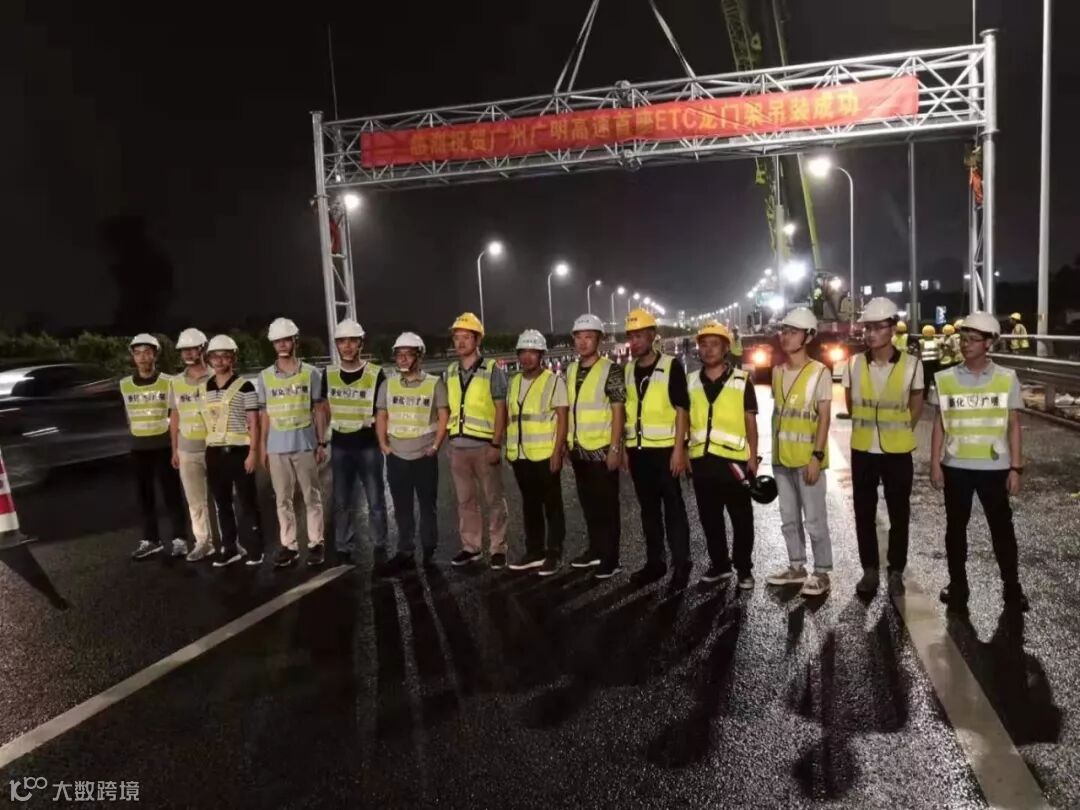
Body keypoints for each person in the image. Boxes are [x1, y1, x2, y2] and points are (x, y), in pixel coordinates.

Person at [930, 312, 1029, 613]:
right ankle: (958, 585)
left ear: (989, 343)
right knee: (955, 530)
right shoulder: (945, 379)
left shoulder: (1006, 378)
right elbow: (939, 424)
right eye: (963, 339)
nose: (965, 344)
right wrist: (934, 463)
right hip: (956, 466)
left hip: (994, 468)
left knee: (1002, 531)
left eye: (973, 340)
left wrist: (1016, 468)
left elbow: (1013, 425)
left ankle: (1012, 588)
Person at [842, 298, 924, 597]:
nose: (871, 333)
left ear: (892, 328)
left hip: (897, 452)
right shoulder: (852, 363)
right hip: (863, 449)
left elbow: (916, 406)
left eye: (878, 327)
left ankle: (896, 570)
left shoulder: (912, 365)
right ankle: (869, 570)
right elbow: (851, 405)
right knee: (863, 513)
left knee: (899, 514)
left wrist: (898, 431)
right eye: (868, 328)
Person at [766, 307, 834, 597]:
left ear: (807, 337)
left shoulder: (820, 373)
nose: (785, 336)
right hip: (781, 459)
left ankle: (822, 572)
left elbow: (824, 418)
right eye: (784, 331)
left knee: (815, 520)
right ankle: (796, 567)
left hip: (808, 460)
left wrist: (817, 457)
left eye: (793, 332)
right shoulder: (777, 372)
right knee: (788, 518)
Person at [623, 308, 692, 588]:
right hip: (638, 452)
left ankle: (681, 565)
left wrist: (679, 450)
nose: (634, 342)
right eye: (631, 337)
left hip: (665, 452)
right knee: (648, 511)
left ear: (652, 335)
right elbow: (626, 411)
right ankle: (655, 563)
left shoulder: (670, 365)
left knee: (674, 509)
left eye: (639, 336)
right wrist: (625, 448)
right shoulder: (628, 369)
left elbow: (682, 409)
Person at [687, 321, 758, 590]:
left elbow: (750, 421)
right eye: (703, 344)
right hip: (702, 461)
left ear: (726, 348)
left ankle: (744, 568)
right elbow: (684, 420)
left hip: (733, 463)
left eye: (714, 344)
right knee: (710, 519)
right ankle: (720, 565)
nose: (708, 349)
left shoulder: (741, 380)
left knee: (741, 518)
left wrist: (752, 457)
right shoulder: (691, 381)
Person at [376, 332, 448, 575]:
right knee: (402, 507)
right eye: (399, 355)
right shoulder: (388, 384)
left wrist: (436, 446)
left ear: (420, 357)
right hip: (397, 457)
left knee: (428, 506)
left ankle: (429, 550)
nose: (403, 359)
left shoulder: (434, 383)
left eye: (408, 354)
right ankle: (405, 551)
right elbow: (382, 415)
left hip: (425, 457)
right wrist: (384, 445)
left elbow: (443, 416)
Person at [258, 317, 327, 569]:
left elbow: (319, 409)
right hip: (277, 447)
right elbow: (265, 414)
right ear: (273, 344)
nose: (282, 344)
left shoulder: (311, 373)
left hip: (305, 444)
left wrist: (322, 442)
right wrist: (264, 446)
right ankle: (289, 545)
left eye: (286, 340)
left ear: (295, 341)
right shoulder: (264, 377)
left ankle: (316, 543)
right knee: (282, 500)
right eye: (277, 341)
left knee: (312, 496)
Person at [320, 318, 387, 567]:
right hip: (340, 446)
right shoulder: (328, 374)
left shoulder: (376, 373)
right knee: (341, 501)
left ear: (361, 343)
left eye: (352, 341)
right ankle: (342, 545)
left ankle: (380, 544)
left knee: (375, 500)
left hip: (368, 445)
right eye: (342, 341)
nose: (347, 346)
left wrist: (384, 441)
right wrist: (321, 441)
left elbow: (383, 412)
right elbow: (324, 410)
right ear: (336, 345)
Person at [445, 312, 510, 569]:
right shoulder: (450, 371)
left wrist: (496, 444)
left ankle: (498, 548)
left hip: (484, 446)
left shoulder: (492, 370)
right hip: (458, 447)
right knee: (465, 502)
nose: (460, 342)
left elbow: (501, 408)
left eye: (466, 337)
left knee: (494, 499)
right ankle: (471, 547)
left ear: (477, 340)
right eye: (457, 338)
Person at [565, 314, 626, 580]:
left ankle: (611, 559)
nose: (582, 342)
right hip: (578, 450)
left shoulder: (610, 369)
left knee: (607, 507)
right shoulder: (570, 370)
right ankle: (595, 550)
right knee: (588, 505)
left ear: (599, 340)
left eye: (588, 337)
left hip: (602, 450)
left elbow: (618, 410)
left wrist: (615, 448)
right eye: (578, 337)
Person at [505, 330, 569, 576]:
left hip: (545, 454)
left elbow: (562, 419)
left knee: (552, 506)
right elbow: (512, 417)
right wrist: (509, 449)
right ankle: (534, 551)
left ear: (541, 355)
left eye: (533, 352)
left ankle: (554, 552)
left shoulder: (554, 381)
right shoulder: (514, 382)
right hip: (520, 456)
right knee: (530, 505)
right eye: (523, 352)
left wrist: (558, 451)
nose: (527, 357)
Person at [201, 335, 264, 567]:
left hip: (239, 452)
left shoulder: (245, 386)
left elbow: (254, 423)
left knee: (248, 503)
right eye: (215, 356)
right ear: (209, 359)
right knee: (222, 504)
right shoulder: (204, 388)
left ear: (233, 358)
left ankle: (256, 549)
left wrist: (253, 453)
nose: (219, 361)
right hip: (214, 453)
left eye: (225, 356)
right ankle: (230, 548)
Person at [123, 334, 187, 561]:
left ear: (155, 355)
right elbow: (128, 415)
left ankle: (180, 539)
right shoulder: (125, 384)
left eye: (147, 352)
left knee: (172, 495)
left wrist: (176, 447)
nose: (142, 357)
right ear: (133, 356)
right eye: (138, 353)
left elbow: (177, 415)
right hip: (138, 447)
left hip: (163, 446)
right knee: (145, 497)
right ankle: (151, 540)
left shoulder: (169, 381)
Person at [169, 327, 214, 562]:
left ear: (202, 349)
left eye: (192, 348)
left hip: (216, 447)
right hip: (187, 449)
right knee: (196, 502)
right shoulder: (176, 382)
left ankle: (231, 543)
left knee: (224, 500)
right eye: (183, 349)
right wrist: (175, 450)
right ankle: (203, 542)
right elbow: (175, 416)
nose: (187, 353)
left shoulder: (217, 376)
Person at [920, 324, 941, 391]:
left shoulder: (921, 341)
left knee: (926, 379)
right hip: (936, 362)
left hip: (925, 362)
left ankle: (925, 394)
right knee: (936, 379)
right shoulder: (937, 341)